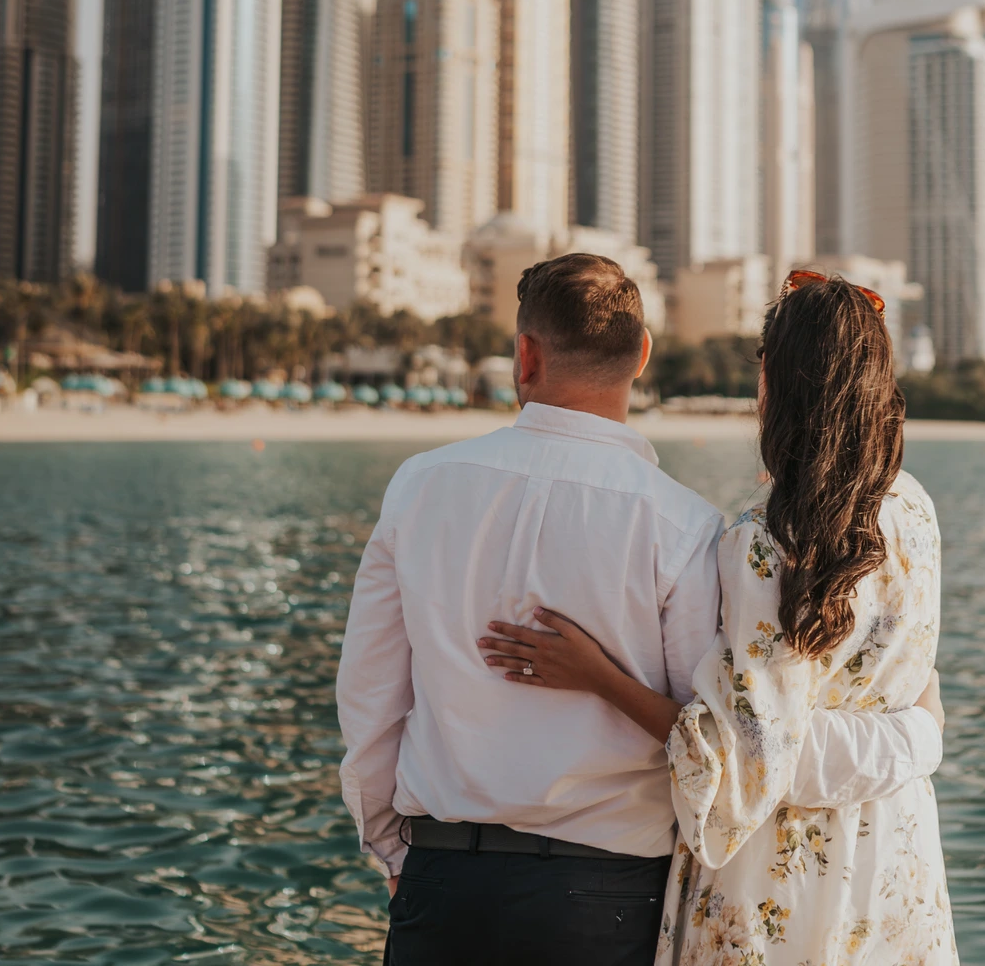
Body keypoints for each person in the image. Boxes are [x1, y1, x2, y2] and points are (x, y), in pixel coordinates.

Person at [338, 253, 944, 966]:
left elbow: (369, 696)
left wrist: (390, 852)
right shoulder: (690, 524)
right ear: (643, 355)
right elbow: (710, 717)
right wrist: (919, 738)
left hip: (445, 876)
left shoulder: (418, 487)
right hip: (629, 891)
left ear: (525, 354)